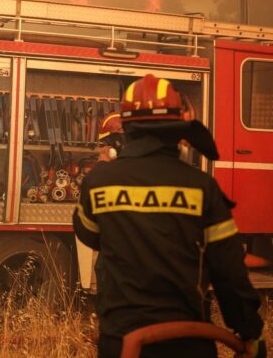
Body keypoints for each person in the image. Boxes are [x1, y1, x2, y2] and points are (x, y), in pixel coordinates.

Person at [73, 74, 265, 358]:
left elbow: (89, 234)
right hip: (188, 344)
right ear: (178, 130)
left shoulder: (98, 182)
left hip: (121, 342)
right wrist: (249, 331)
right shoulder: (202, 188)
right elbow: (228, 269)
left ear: (127, 129)